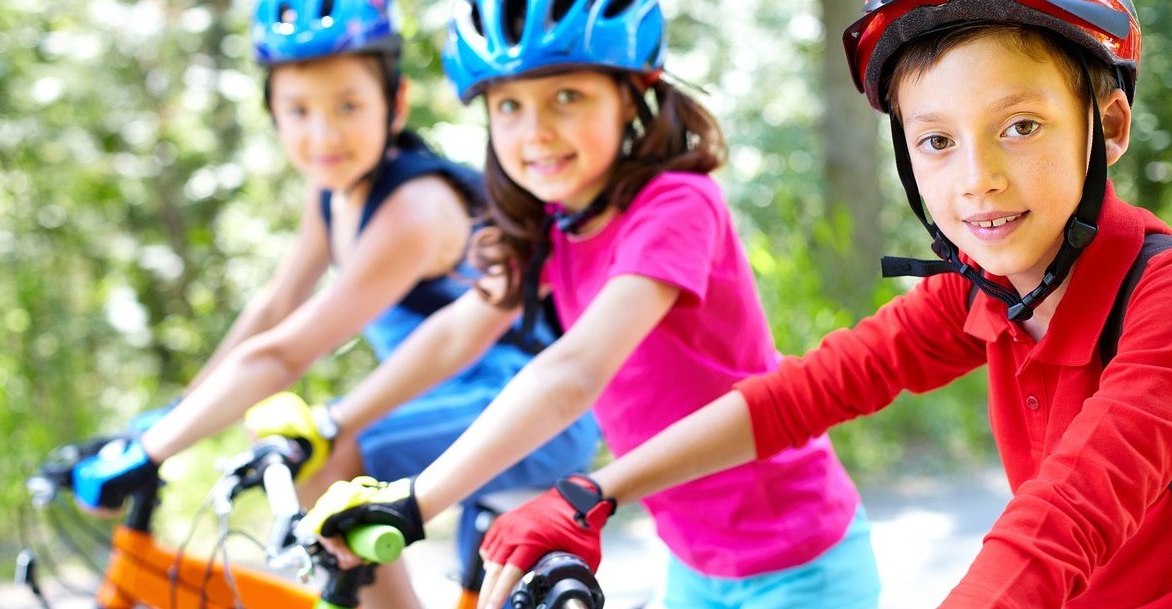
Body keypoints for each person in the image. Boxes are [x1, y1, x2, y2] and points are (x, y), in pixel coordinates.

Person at [458, 0, 1172, 607]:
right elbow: (801, 394)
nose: (976, 178)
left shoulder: (1160, 299)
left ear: (1109, 126)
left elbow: (1066, 516)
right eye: (937, 140)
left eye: (1020, 126)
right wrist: (593, 490)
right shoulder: (982, 290)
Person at [301, 1, 883, 607]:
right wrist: (332, 422)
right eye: (509, 105)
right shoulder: (555, 224)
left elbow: (575, 372)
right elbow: (456, 333)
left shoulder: (678, 205)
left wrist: (418, 500)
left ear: (630, 96)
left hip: (796, 552)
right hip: (693, 560)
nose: (536, 131)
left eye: (567, 97)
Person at [69, 1, 600, 607]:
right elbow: (276, 307)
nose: (324, 135)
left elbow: (287, 352)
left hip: (531, 412)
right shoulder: (334, 192)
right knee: (327, 455)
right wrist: (172, 415)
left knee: (336, 457)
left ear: (395, 103)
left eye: (348, 106)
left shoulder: (412, 209)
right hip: (449, 407)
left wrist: (153, 449)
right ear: (272, 113)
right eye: (299, 110)